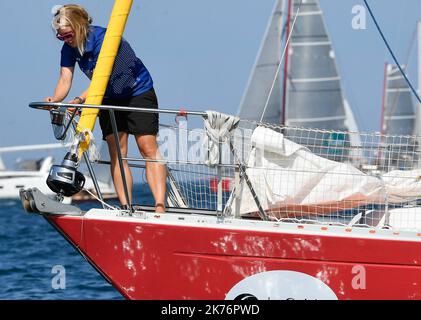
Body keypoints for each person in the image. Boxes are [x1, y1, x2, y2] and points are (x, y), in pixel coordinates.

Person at [44, 4, 167, 213]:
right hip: (108, 98)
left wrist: (79, 100)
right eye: (60, 37)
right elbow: (65, 78)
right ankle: (126, 207)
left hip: (137, 92)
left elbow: (105, 78)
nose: (66, 40)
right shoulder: (69, 48)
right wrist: (54, 100)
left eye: (68, 35)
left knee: (147, 147)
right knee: (117, 152)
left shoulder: (106, 40)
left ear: (79, 27)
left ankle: (160, 206)